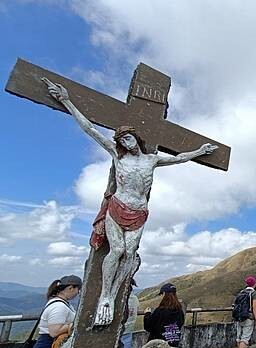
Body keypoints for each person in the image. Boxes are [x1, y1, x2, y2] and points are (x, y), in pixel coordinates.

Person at [43, 78, 217, 326]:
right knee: (118, 250)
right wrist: (67, 100)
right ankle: (105, 296)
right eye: (122, 140)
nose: (127, 142)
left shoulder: (151, 160)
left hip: (139, 211)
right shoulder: (118, 156)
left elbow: (179, 158)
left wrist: (200, 151)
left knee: (130, 253)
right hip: (118, 207)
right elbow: (90, 130)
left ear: (136, 138)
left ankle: (113, 296)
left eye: (130, 138)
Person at [144, 283, 185, 348]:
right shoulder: (179, 311)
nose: (160, 296)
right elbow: (181, 323)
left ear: (164, 294)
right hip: (173, 345)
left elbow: (148, 327)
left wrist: (147, 314)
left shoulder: (160, 311)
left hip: (158, 346)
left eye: (161, 294)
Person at [233, 276, 256, 348]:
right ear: (254, 284)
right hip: (248, 318)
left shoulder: (241, 292)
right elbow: (255, 307)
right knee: (245, 338)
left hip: (239, 317)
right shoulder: (254, 293)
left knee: (239, 337)